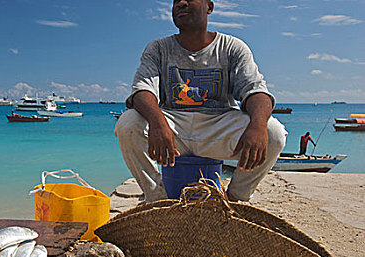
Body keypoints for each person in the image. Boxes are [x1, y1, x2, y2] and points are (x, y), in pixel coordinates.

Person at [115, 0, 287, 202]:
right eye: (176, 1)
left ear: (209, 7)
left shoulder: (231, 47)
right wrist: (157, 122)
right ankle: (157, 199)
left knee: (274, 134)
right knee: (127, 125)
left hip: (218, 126)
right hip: (173, 128)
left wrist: (257, 126)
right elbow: (142, 90)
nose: (181, 3)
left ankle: (234, 199)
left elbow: (256, 91)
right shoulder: (159, 48)